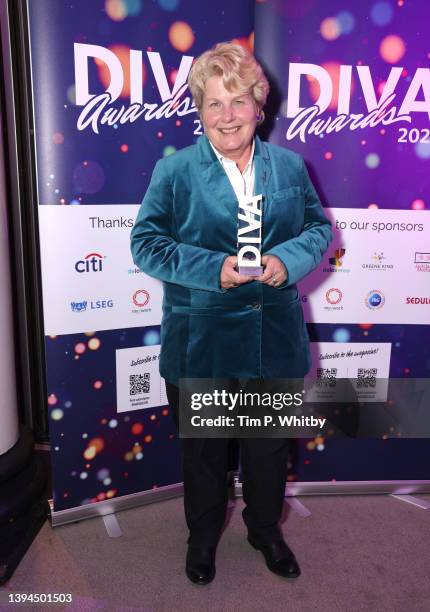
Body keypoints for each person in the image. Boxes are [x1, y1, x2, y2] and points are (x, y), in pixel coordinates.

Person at [131, 42, 332, 585]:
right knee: (204, 455)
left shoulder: (290, 166)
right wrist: (211, 268)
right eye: (213, 103)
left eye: (238, 101)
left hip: (274, 336)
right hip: (204, 340)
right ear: (199, 110)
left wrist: (286, 260)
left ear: (257, 106)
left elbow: (319, 231)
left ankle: (265, 529)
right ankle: (201, 537)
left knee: (268, 452)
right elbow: (145, 244)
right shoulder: (174, 172)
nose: (226, 116)